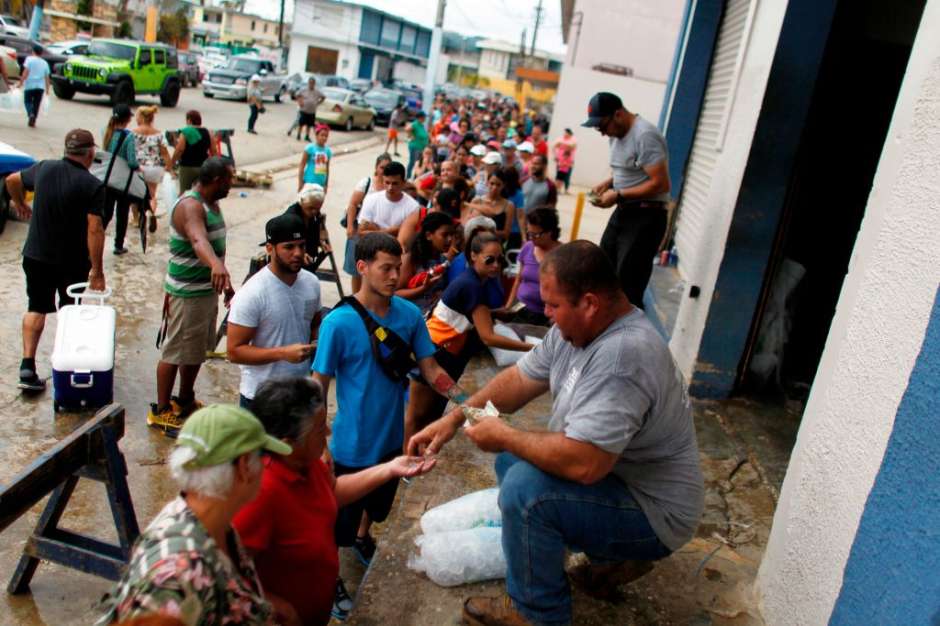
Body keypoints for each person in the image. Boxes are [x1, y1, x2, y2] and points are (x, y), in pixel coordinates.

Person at [409, 241, 704, 626]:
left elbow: (585, 465)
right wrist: (456, 419)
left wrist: (504, 435)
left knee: (526, 494)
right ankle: (608, 560)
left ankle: (538, 613)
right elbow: (517, 381)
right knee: (512, 463)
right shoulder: (575, 331)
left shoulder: (622, 358)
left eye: (553, 306)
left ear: (590, 303)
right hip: (620, 480)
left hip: (654, 512)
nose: (545, 314)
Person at [310, 233, 475, 600]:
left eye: (397, 268)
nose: (394, 276)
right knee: (336, 522)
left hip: (391, 442)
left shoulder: (409, 316)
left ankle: (362, 538)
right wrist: (319, 444)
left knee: (377, 508)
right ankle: (331, 578)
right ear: (363, 268)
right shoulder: (337, 324)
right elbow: (317, 387)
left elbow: (432, 371)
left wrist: (471, 404)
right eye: (385, 268)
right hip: (350, 447)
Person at [233, 377, 436, 624]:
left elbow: (332, 492)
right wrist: (272, 605)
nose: (328, 432)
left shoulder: (309, 464)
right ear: (287, 444)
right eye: (320, 428)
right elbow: (229, 571)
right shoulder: (260, 494)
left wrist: (390, 469)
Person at [96, 404, 292, 626]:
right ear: (245, 465)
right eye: (262, 456)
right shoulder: (178, 575)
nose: (267, 466)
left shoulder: (212, 523)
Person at [5, 129, 106, 391]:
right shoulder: (93, 186)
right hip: (72, 262)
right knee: (70, 312)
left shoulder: (44, 168)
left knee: (36, 307)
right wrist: (97, 269)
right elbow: (95, 228)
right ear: (91, 153)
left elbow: (13, 180)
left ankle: (27, 367)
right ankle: (66, 368)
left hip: (36, 255)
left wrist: (20, 204)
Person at [406, 231, 532, 435]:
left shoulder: (474, 281)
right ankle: (408, 456)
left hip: (445, 355)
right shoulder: (472, 286)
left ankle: (417, 457)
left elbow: (468, 313)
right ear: (473, 255)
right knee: (416, 417)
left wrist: (492, 313)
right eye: (489, 259)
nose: (496, 265)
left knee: (430, 416)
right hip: (433, 355)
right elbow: (488, 336)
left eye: (499, 260)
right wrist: (531, 347)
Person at [150, 157, 235, 436]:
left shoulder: (212, 204)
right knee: (175, 351)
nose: (231, 185)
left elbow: (214, 246)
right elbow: (199, 240)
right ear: (215, 180)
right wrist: (215, 266)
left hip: (205, 292)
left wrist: (224, 278)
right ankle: (161, 411)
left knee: (196, 349)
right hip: (185, 294)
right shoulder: (190, 206)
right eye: (228, 180)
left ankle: (185, 400)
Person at [227, 214, 322, 408]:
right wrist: (282, 353)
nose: (297, 253)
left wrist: (317, 343)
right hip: (261, 397)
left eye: (301, 245)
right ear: (270, 248)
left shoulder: (311, 282)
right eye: (289, 247)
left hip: (300, 392)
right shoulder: (252, 293)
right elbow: (234, 351)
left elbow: (314, 324)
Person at [585, 92, 671, 308]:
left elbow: (660, 183)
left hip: (646, 216)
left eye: (603, 126)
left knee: (627, 283)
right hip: (625, 211)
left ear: (618, 114)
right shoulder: (616, 135)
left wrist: (619, 194)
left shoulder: (645, 135)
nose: (603, 133)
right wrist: (609, 183)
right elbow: (631, 169)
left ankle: (625, 336)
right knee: (602, 269)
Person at [505, 208, 561, 326]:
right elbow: (518, 279)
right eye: (528, 233)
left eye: (535, 234)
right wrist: (509, 306)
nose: (530, 238)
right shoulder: (528, 247)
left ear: (549, 232)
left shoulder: (563, 255)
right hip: (519, 308)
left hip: (545, 317)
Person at [344, 153, 391, 294]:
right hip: (360, 233)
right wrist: (350, 227)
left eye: (387, 167)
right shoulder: (367, 183)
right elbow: (353, 204)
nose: (384, 170)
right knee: (356, 270)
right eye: (382, 167)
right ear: (376, 168)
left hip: (379, 234)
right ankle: (355, 298)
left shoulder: (390, 187)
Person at [396, 211, 456, 315]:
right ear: (429, 235)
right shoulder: (411, 259)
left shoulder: (443, 260)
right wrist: (423, 288)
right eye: (445, 235)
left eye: (452, 234)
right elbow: (396, 294)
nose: (450, 239)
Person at [102, 103, 140, 255]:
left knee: (106, 213)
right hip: (123, 181)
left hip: (107, 179)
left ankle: (95, 238)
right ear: (127, 119)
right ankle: (118, 245)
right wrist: (139, 167)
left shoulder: (106, 131)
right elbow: (131, 161)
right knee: (122, 213)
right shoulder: (129, 136)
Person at [132, 105, 172, 232]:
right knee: (152, 195)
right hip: (155, 168)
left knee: (135, 194)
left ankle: (136, 219)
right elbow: (164, 152)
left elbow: (130, 151)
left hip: (139, 167)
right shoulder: (159, 134)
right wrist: (169, 167)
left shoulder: (133, 133)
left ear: (142, 117)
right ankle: (151, 213)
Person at [357, 161, 419, 237]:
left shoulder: (413, 207)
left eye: (395, 183)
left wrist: (376, 229)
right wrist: (394, 230)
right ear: (383, 181)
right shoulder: (370, 199)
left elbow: (407, 237)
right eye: (387, 182)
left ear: (404, 183)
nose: (390, 188)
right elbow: (361, 232)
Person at [168, 110, 218, 195]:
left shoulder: (186, 132)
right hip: (203, 167)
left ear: (189, 120)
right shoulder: (208, 132)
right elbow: (214, 151)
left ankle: (184, 207)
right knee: (203, 192)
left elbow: (179, 149)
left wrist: (171, 163)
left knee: (184, 193)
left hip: (187, 167)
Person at [287, 183, 330, 271]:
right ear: (302, 200)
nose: (314, 212)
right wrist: (301, 254)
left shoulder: (314, 216)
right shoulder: (291, 218)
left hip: (309, 261)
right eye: (311, 208)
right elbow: (286, 243)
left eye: (318, 208)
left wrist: (321, 243)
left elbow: (313, 233)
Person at [469, 168, 516, 243]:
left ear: (503, 185)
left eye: (498, 185)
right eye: (492, 183)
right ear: (487, 183)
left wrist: (488, 231)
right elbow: (468, 225)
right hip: (476, 244)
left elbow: (506, 234)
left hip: (496, 245)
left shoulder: (508, 206)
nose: (494, 187)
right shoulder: (476, 201)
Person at [517, 154, 557, 235]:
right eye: (532, 163)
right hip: (518, 226)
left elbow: (551, 209)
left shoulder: (550, 186)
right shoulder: (523, 181)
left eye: (537, 164)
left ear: (544, 166)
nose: (533, 166)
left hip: (535, 230)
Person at [19, 44, 49, 128]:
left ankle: (30, 114)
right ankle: (33, 120)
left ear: (33, 51)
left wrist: (21, 82)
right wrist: (47, 89)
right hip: (40, 87)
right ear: (41, 53)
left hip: (29, 85)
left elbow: (26, 72)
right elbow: (47, 77)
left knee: (27, 101)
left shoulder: (29, 59)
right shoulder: (45, 63)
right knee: (36, 103)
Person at [298, 124, 331, 192]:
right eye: (322, 135)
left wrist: (326, 185)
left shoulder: (328, 151)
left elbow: (327, 169)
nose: (324, 138)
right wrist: (300, 183)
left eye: (326, 136)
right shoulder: (309, 148)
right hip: (308, 182)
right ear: (316, 136)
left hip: (320, 183)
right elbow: (302, 165)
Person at [295, 76, 325, 142]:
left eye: (313, 83)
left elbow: (323, 97)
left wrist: (318, 103)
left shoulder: (317, 91)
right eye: (310, 83)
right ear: (308, 83)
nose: (311, 84)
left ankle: (307, 136)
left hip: (312, 111)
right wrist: (300, 102)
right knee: (301, 123)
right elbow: (297, 95)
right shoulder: (304, 90)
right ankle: (298, 135)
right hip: (304, 110)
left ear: (314, 83)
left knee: (309, 124)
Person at [552, 128, 577, 193]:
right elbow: (554, 146)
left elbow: (573, 145)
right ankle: (557, 189)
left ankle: (566, 189)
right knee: (558, 176)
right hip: (560, 160)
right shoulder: (561, 138)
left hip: (569, 161)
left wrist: (562, 144)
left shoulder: (573, 139)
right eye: (564, 133)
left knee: (566, 176)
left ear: (569, 134)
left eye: (566, 133)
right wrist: (555, 156)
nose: (564, 134)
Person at [406, 110, 429, 179]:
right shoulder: (415, 124)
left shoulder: (421, 125)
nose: (425, 118)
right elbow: (407, 129)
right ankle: (408, 177)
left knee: (417, 162)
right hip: (415, 146)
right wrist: (411, 136)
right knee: (414, 162)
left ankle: (414, 177)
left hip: (421, 147)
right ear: (420, 117)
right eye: (424, 117)